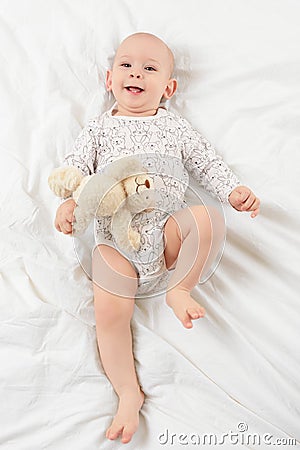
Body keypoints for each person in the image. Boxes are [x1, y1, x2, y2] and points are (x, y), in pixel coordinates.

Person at [54, 32, 260, 444]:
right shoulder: (97, 130)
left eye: (150, 68)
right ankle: (127, 392)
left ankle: (179, 289)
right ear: (108, 78)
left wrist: (233, 190)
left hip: (166, 233)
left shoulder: (175, 126)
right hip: (117, 243)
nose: (136, 73)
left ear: (168, 88)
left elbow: (206, 161)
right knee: (110, 317)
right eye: (127, 65)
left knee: (203, 218)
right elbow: (74, 169)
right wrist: (68, 203)